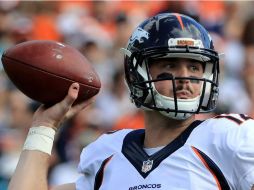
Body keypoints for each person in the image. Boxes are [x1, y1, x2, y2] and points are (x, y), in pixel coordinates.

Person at [8, 13, 254, 190]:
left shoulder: (229, 137)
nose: (185, 78)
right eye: (170, 64)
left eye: (194, 66)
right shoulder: (105, 154)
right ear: (137, 73)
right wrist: (43, 127)